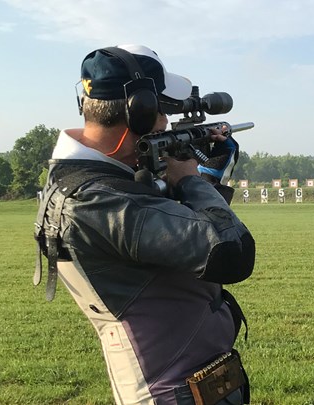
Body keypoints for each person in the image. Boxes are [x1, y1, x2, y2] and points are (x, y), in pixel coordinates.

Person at [34, 44, 255, 405]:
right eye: (163, 110)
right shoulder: (96, 200)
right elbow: (231, 252)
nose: (167, 121)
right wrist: (192, 182)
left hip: (189, 380)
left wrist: (208, 174)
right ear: (138, 112)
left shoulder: (103, 182)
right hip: (169, 392)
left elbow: (171, 232)